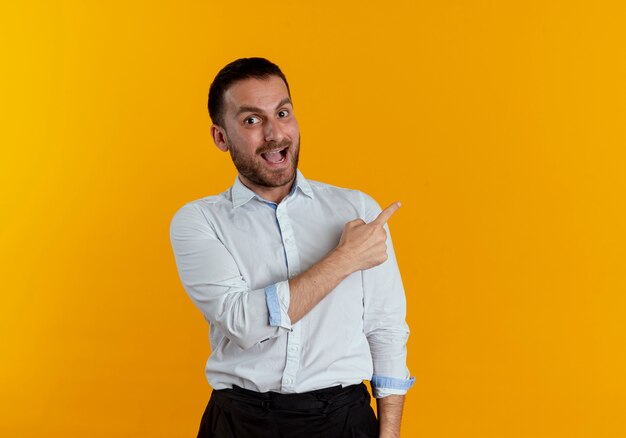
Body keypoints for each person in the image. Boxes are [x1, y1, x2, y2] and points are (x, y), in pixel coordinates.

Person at [170, 57, 414, 438]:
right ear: (221, 137)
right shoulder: (199, 221)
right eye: (252, 120)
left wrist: (391, 434)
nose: (274, 133)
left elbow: (385, 329)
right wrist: (345, 258)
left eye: (282, 113)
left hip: (343, 420)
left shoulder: (358, 210)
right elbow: (245, 324)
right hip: (239, 423)